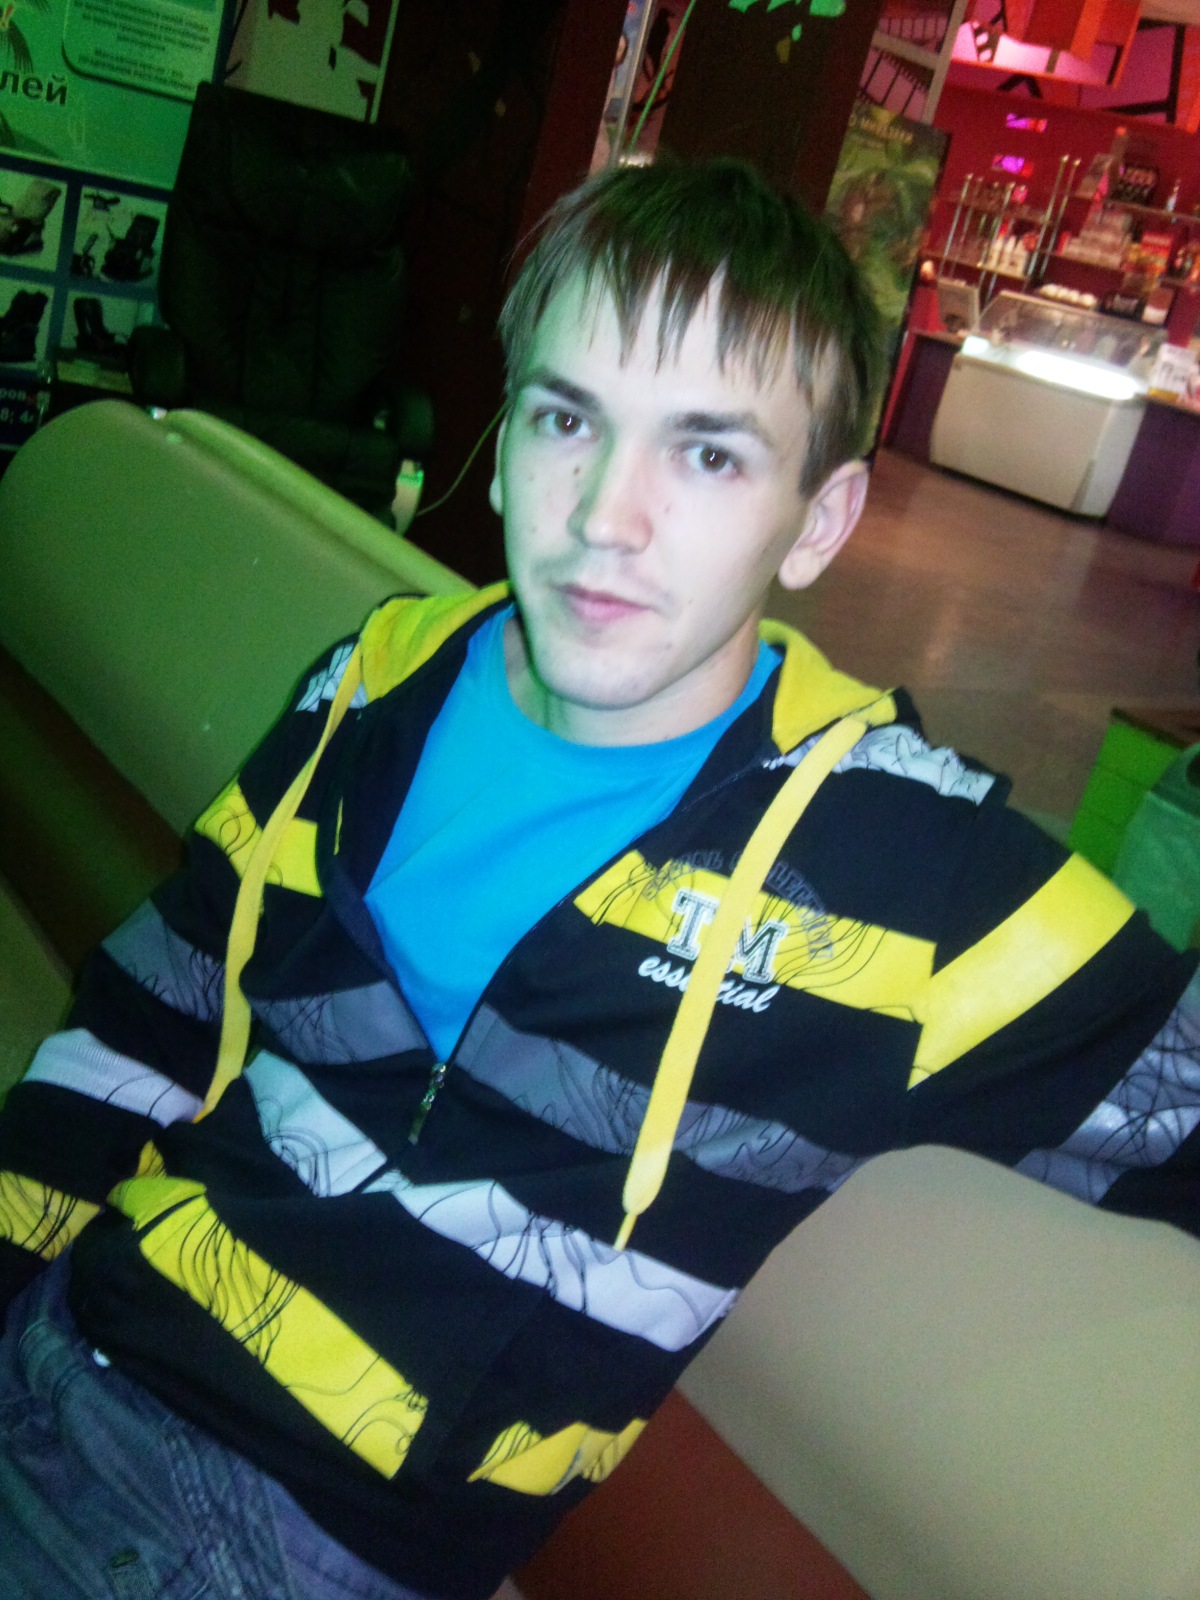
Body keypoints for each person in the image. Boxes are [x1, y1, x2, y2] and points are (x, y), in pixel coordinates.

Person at [1, 157, 1197, 1600]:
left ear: (818, 523)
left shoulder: (907, 872)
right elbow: (150, 1012)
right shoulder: (376, 684)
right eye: (568, 420)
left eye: (710, 455)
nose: (604, 519)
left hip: (295, 1550)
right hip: (62, 1341)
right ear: (506, 446)